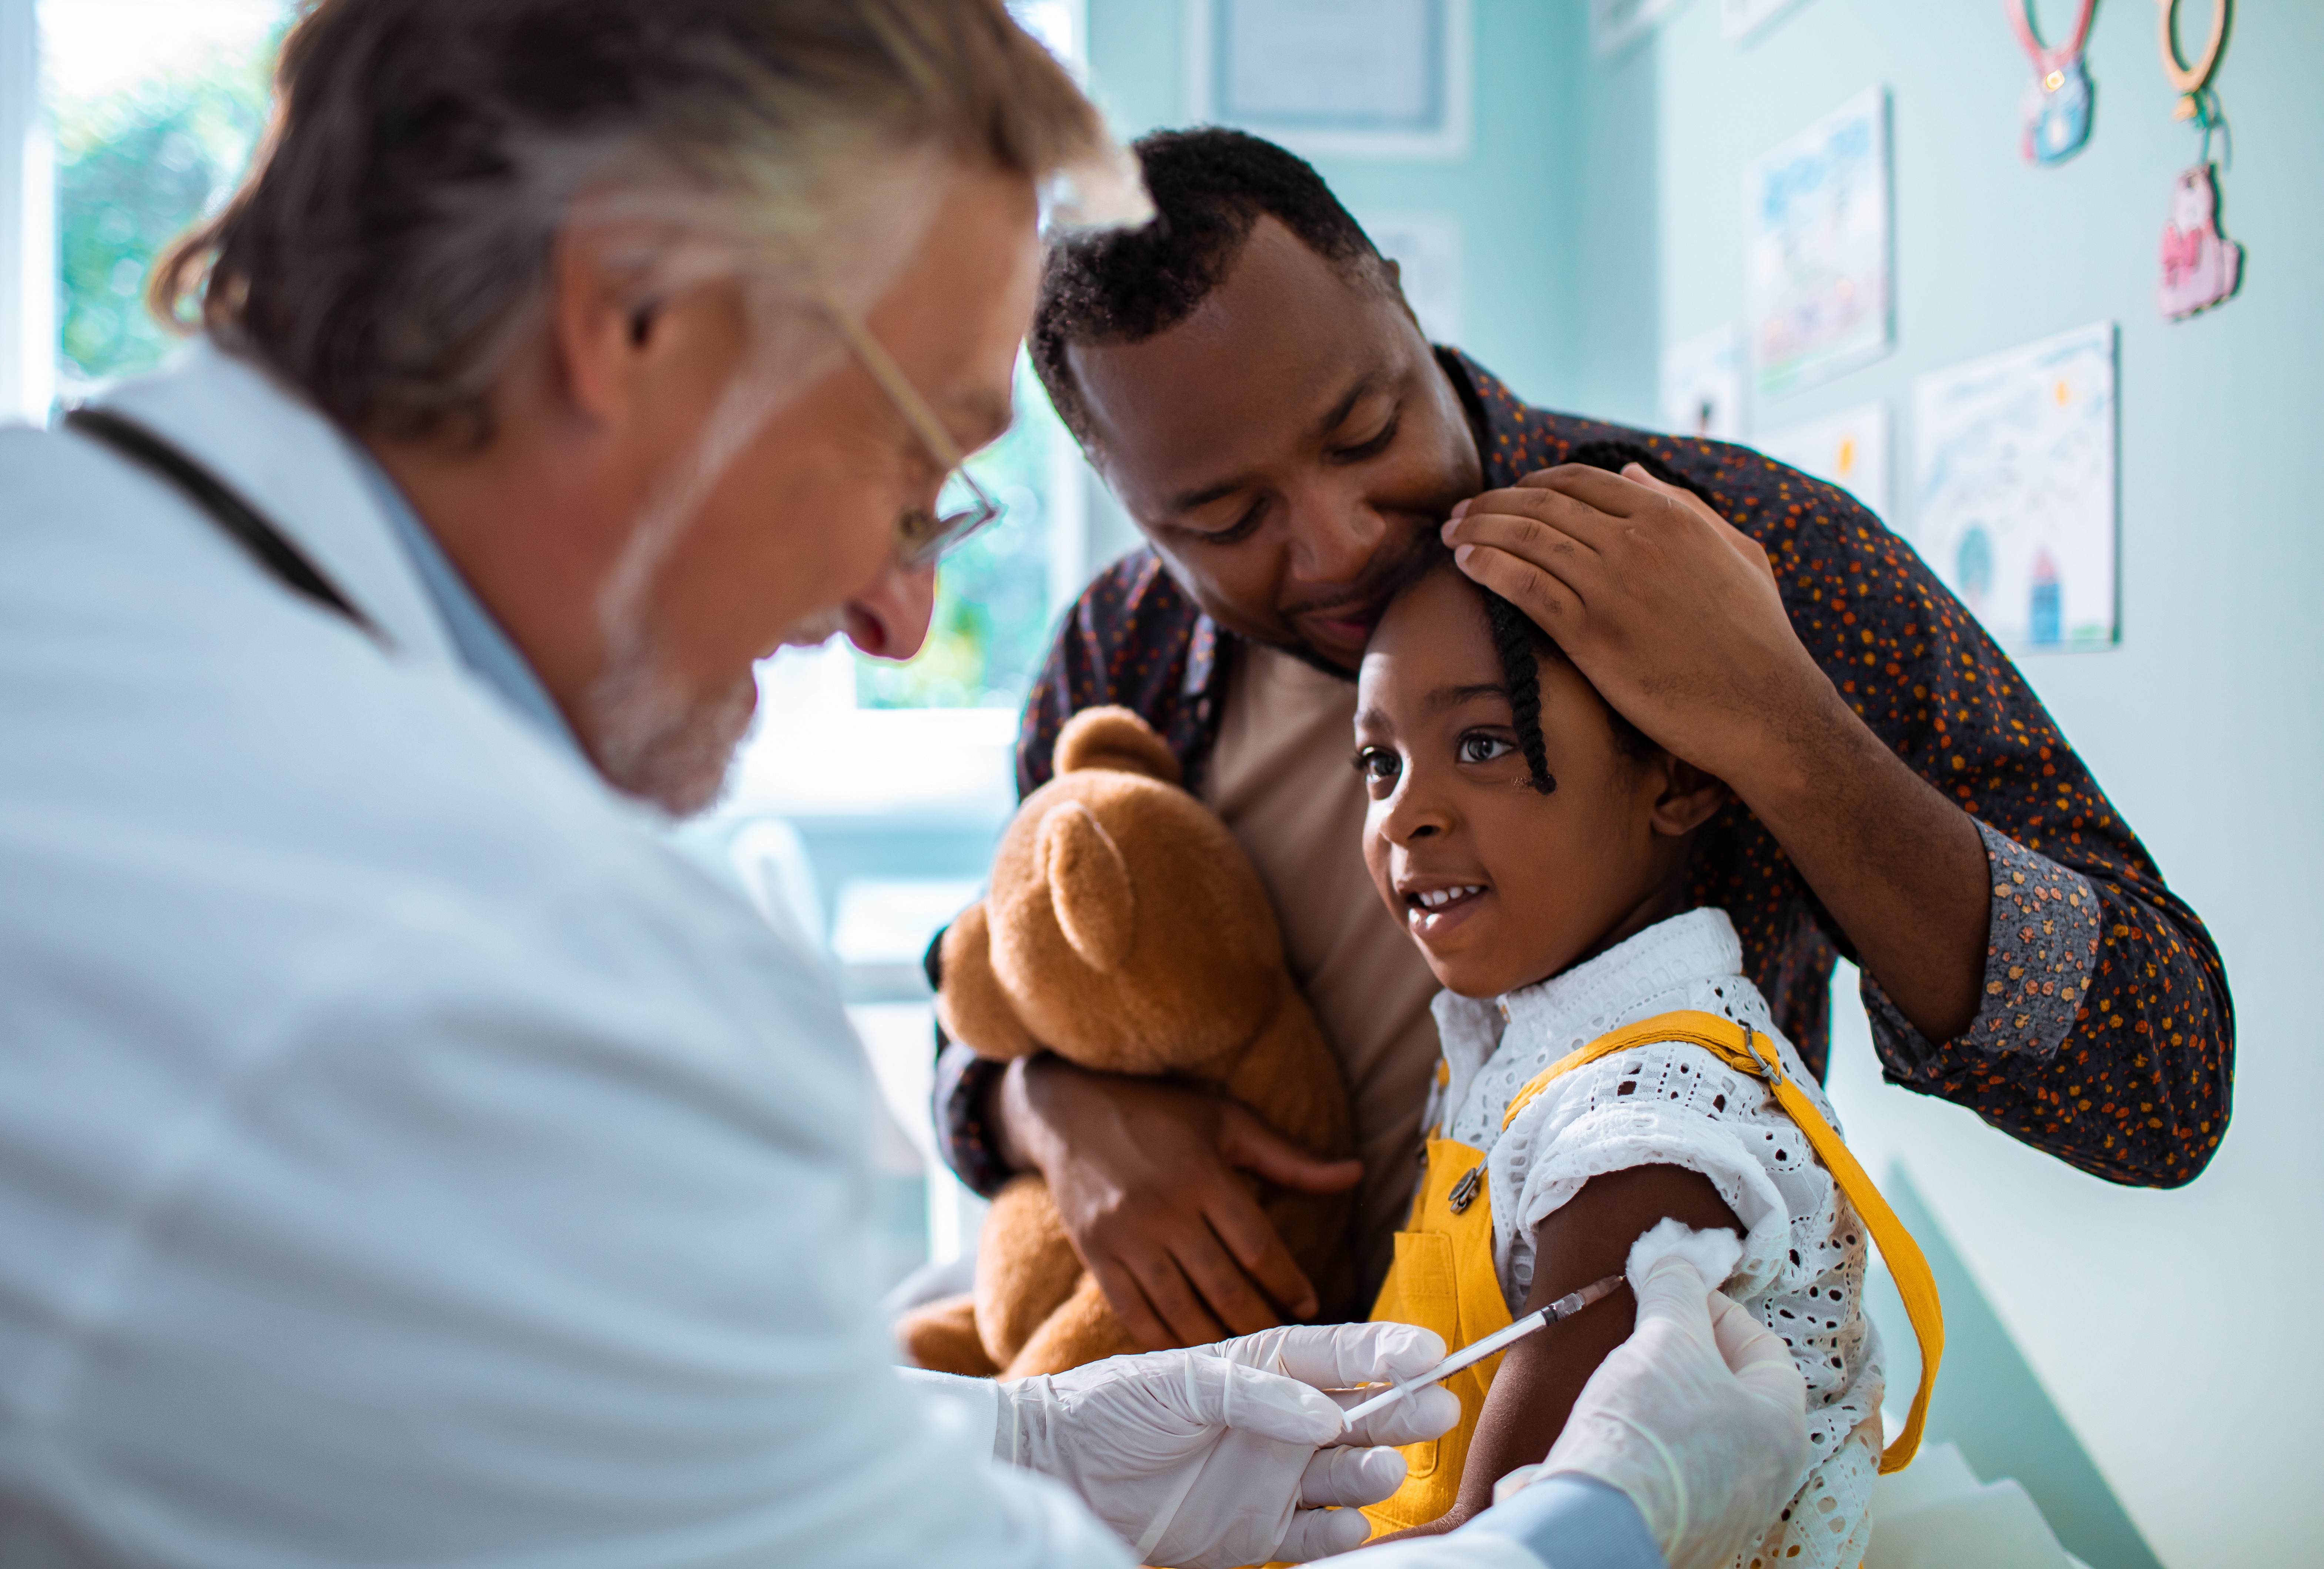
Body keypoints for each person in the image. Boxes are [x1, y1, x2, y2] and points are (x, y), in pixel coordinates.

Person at [0, 3, 1817, 1567]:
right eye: (907, 466)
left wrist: (1013, 1453)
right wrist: (1592, 1523)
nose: (896, 612)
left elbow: (456, 1441)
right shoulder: (505, 983)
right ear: (631, 314)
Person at [931, 128, 2233, 1348]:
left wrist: (1781, 725)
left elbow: (2162, 1079)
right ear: (1118, 494)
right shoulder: (1125, 657)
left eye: (1367, 432)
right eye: (1222, 518)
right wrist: (1046, 1110)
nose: (1336, 541)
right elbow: (988, 992)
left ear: (1397, 300)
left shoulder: (1755, 560)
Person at [1346, 537, 1883, 1564]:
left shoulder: (1641, 1139)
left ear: (1675, 777)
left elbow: (1499, 1540)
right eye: (1381, 761)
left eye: (1484, 743)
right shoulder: (1518, 1034)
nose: (1407, 810)